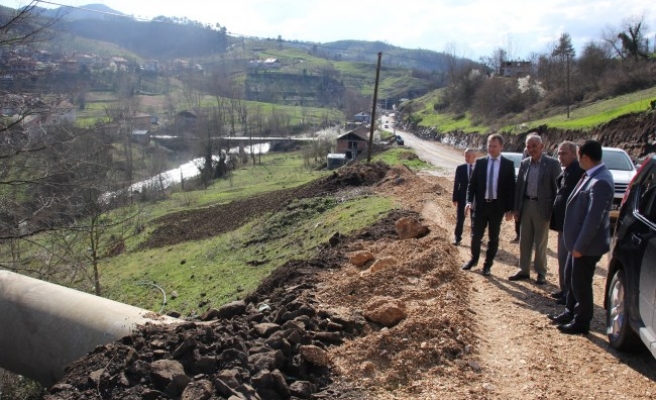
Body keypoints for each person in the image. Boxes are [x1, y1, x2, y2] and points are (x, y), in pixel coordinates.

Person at [549, 140, 614, 335]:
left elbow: (593, 220)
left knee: (581, 283)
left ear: (585, 157)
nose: (578, 161)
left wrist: (580, 246)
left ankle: (581, 321)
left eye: (578, 157)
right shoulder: (590, 175)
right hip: (575, 242)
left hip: (586, 245)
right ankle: (569, 311)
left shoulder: (601, 180)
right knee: (570, 278)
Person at [509, 134, 561, 284]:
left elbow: (557, 189)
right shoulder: (525, 163)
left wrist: (554, 211)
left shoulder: (552, 164)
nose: (531, 149)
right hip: (526, 205)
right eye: (528, 146)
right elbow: (519, 187)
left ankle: (541, 272)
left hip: (542, 207)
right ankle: (524, 270)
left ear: (542, 147)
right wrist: (516, 209)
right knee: (524, 241)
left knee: (541, 242)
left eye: (534, 146)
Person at [462, 134, 516, 276]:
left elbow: (511, 188)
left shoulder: (508, 165)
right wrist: (468, 201)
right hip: (480, 206)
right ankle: (474, 260)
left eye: (494, 146)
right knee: (475, 235)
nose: (491, 149)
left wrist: (510, 209)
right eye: (489, 146)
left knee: (493, 237)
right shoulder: (480, 163)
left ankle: (487, 266)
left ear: (501, 147)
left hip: (497, 207)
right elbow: (471, 185)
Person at [549, 141, 584, 304]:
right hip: (562, 224)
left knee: (568, 261)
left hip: (571, 225)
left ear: (574, 153)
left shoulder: (579, 172)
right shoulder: (567, 171)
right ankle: (564, 289)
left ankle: (569, 294)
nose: (560, 157)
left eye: (563, 153)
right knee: (562, 258)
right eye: (559, 153)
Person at [452, 148, 477, 245]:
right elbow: (456, 184)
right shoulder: (460, 168)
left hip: (475, 198)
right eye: (465, 156)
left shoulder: (478, 168)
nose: (466, 158)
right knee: (460, 219)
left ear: (474, 157)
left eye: (469, 156)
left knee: (474, 218)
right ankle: (457, 237)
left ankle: (475, 236)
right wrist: (455, 198)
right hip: (462, 197)